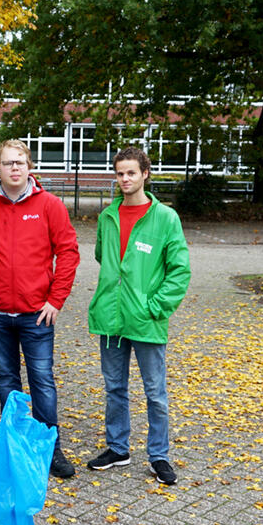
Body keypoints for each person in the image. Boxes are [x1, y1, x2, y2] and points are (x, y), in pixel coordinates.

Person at [0, 139, 80, 479]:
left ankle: (49, 447)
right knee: (6, 379)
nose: (14, 168)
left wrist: (55, 300)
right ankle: (14, 444)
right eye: (7, 163)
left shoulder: (50, 206)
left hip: (36, 313)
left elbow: (69, 253)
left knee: (42, 380)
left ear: (29, 167)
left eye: (20, 162)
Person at [86, 146, 191, 486]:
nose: (125, 179)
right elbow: (105, 258)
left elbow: (180, 271)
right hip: (112, 318)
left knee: (155, 392)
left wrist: (153, 306)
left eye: (131, 172)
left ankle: (158, 455)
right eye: (119, 173)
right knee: (114, 387)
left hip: (146, 319)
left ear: (145, 173)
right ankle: (118, 448)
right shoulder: (107, 216)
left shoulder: (165, 218)